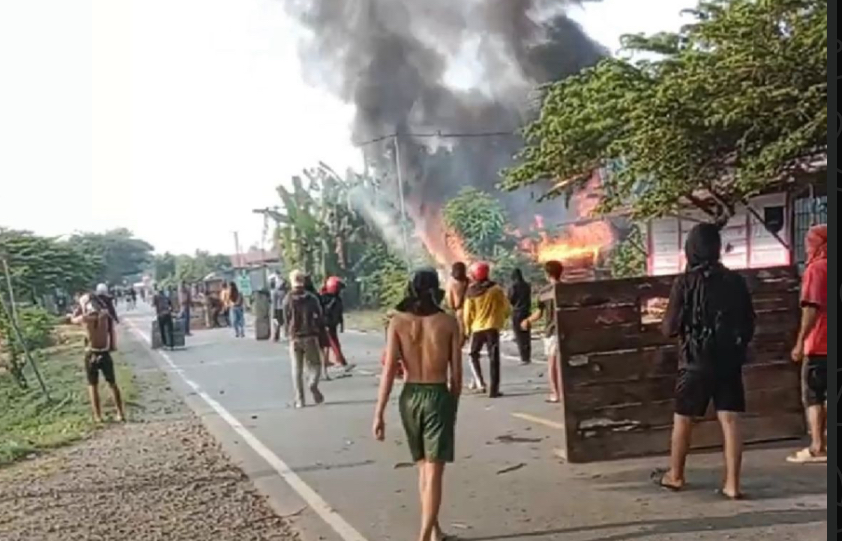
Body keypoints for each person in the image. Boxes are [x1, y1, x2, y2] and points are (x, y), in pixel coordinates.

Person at [654, 223, 755, 500]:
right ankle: (733, 484)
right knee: (731, 420)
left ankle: (675, 475)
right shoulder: (735, 281)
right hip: (728, 361)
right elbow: (749, 323)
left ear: (691, 249)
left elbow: (669, 327)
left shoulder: (684, 282)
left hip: (694, 361)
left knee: (683, 420)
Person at [373, 268, 462, 541]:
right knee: (434, 472)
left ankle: (434, 530)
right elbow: (456, 375)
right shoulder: (448, 323)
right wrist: (452, 407)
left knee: (423, 466)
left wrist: (379, 413)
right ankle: (423, 536)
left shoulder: (397, 322)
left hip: (409, 397)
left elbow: (389, 370)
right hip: (437, 394)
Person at [787, 224, 828, 463]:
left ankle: (817, 447)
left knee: (813, 396)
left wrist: (800, 342)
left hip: (820, 344)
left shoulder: (816, 269)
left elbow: (811, 309)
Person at [72, 293, 125, 423]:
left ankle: (98, 416)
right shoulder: (106, 316)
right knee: (112, 383)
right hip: (104, 352)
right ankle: (120, 413)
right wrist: (112, 346)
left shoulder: (85, 318)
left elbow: (73, 320)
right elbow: (112, 334)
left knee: (92, 385)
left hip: (91, 353)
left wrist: (78, 309)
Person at [463, 261, 511, 397]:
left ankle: (480, 382)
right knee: (494, 358)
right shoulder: (496, 289)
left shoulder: (471, 292)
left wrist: (467, 329)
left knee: (473, 355)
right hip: (493, 327)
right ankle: (494, 390)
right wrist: (502, 318)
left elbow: (468, 314)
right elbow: (506, 307)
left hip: (477, 328)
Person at [521, 261, 564, 402]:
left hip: (552, 331)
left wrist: (527, 321)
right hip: (568, 330)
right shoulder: (568, 289)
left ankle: (555, 393)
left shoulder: (544, 292)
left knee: (552, 363)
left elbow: (539, 314)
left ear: (546, 274)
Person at [284, 270, 325, 408]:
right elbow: (320, 316)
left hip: (294, 337)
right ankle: (312, 384)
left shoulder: (287, 299)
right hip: (310, 336)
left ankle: (300, 400)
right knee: (316, 365)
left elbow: (285, 318)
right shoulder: (312, 298)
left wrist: (288, 334)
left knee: (296, 369)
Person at [321, 276, 351, 370]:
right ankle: (341, 362)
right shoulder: (326, 299)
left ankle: (333, 361)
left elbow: (339, 313)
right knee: (333, 344)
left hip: (332, 324)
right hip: (328, 324)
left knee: (332, 343)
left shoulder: (335, 299)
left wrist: (341, 324)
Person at [508, 268, 532, 365]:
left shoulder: (513, 287)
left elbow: (510, 299)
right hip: (527, 312)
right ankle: (528, 356)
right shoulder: (527, 285)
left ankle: (523, 358)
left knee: (519, 336)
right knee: (526, 334)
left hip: (517, 313)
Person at [271, 277, 289, 342]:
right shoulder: (282, 292)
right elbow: (274, 302)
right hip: (279, 309)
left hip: (280, 308)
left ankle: (279, 336)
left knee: (280, 323)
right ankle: (277, 336)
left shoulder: (285, 292)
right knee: (279, 323)